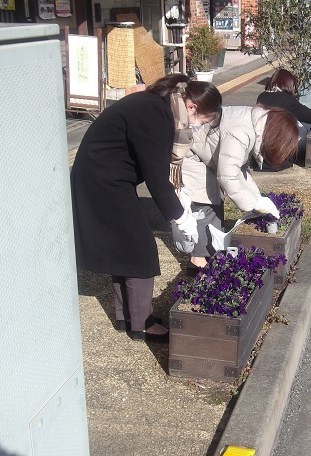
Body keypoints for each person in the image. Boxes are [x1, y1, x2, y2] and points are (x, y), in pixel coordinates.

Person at [70, 73, 223, 341]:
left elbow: (159, 170)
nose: (197, 127)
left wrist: (180, 202)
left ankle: (126, 317)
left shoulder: (160, 105)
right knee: (140, 250)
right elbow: (156, 177)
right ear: (192, 107)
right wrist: (179, 217)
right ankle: (142, 323)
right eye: (202, 120)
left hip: (103, 176)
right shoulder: (155, 114)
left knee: (124, 247)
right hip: (104, 180)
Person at [181, 104, 299, 270]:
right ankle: (196, 261)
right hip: (191, 154)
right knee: (203, 205)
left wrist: (257, 198)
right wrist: (254, 203)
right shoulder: (241, 131)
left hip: (205, 156)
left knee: (214, 204)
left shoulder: (255, 123)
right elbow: (228, 176)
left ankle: (209, 252)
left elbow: (239, 170)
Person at [256, 69, 311, 169]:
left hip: (261, 144)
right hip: (279, 147)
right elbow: (307, 114)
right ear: (288, 84)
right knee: (303, 128)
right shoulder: (286, 99)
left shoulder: (262, 96)